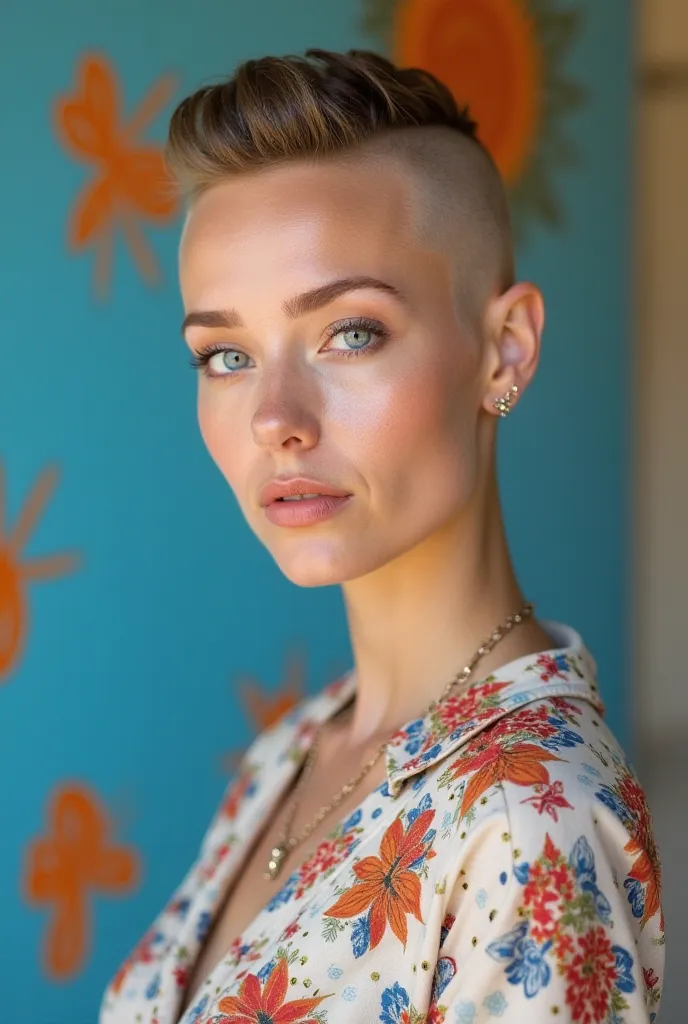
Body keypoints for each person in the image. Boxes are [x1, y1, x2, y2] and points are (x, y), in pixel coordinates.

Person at [99, 49, 664, 1024]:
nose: (276, 416)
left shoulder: (531, 821)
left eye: (349, 332)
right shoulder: (297, 746)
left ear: (505, 350)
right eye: (225, 355)